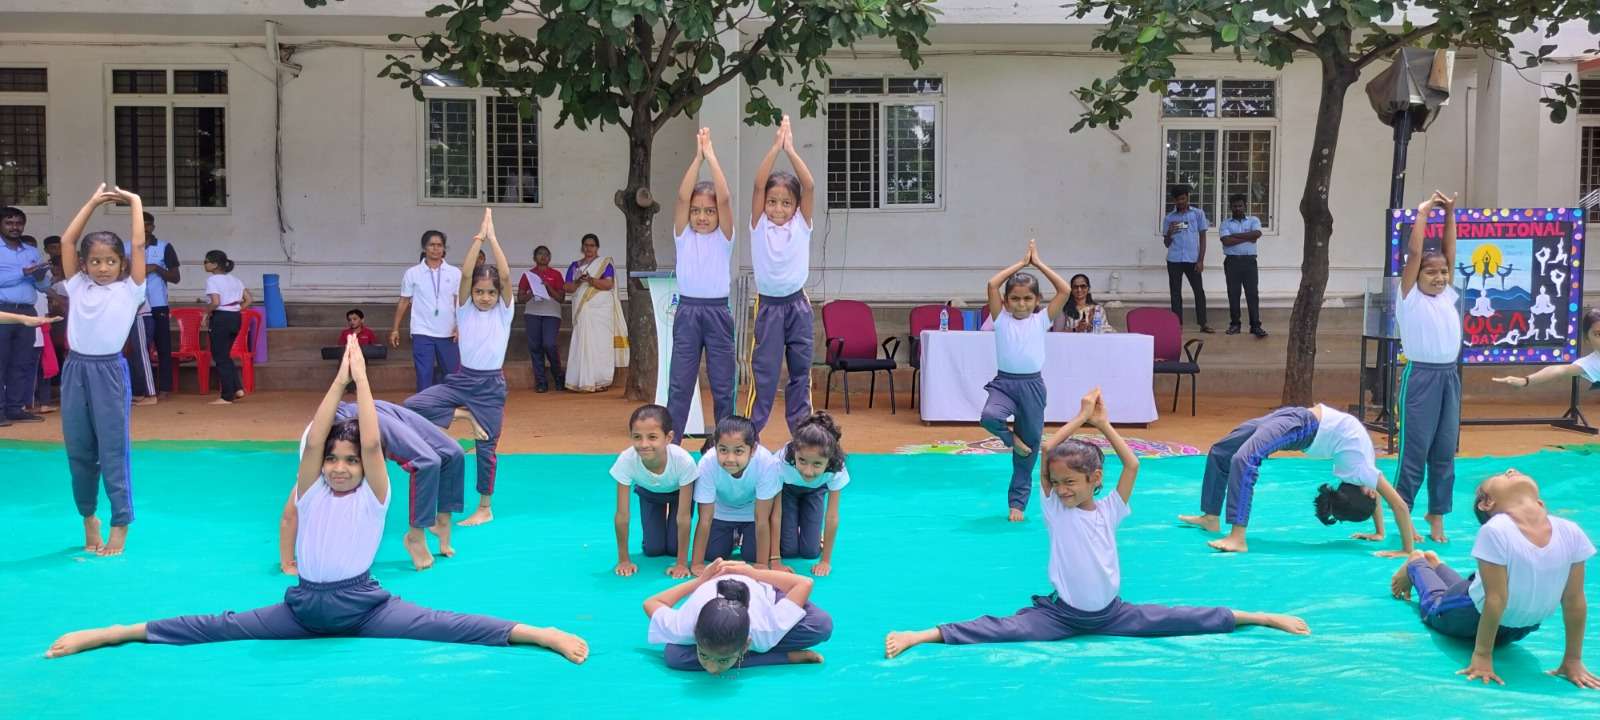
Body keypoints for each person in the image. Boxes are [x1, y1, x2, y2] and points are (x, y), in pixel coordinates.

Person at [43, 336, 589, 665]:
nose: (341, 467)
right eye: (334, 460)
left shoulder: (374, 493)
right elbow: (316, 440)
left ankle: (537, 633)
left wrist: (363, 382)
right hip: (303, 607)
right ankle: (114, 632)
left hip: (365, 607)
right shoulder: (311, 489)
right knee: (216, 625)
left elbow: (371, 441)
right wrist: (337, 382)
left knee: (448, 623)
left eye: (349, 461)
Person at [884, 390, 1309, 659]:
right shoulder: (1056, 510)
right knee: (1001, 629)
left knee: (1181, 618)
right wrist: (1079, 418)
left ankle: (1260, 616)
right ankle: (921, 635)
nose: (1062, 489)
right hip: (1062, 618)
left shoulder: (1109, 509)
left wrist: (1103, 424)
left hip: (1113, 614)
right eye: (1057, 483)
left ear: (1095, 481)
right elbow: (1048, 452)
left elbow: (1132, 464)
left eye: (1071, 483)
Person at [1389, 469, 1598, 688]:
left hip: (1516, 628)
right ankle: (1416, 564)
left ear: (1540, 503)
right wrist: (1482, 655)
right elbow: (1495, 599)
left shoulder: (1570, 531)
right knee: (1436, 604)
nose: (1511, 470)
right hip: (1470, 616)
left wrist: (1573, 660)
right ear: (1487, 503)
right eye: (1504, 475)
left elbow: (1574, 599)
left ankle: (1435, 565)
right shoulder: (1496, 530)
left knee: (1470, 589)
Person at [1177, 403, 1420, 555]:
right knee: (1222, 451)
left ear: (1367, 492)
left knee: (1245, 459)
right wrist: (1384, 535)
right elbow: (1390, 503)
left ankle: (1238, 537)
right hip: (1295, 417)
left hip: (1302, 426)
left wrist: (1405, 549)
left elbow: (1391, 503)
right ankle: (1210, 517)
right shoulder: (1364, 475)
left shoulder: (1362, 473)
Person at [404, 209, 512, 527]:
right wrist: (479, 239)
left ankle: (485, 507)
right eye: (479, 292)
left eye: (490, 293)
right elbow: (465, 275)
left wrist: (494, 239)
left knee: (486, 447)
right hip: (462, 381)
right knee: (413, 405)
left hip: (490, 387)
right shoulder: (464, 309)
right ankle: (465, 416)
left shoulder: (504, 312)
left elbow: (506, 277)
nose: (485, 297)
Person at [57, 184, 147, 556]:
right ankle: (88, 516)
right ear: (84, 265)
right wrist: (92, 202)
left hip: (109, 372)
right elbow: (67, 241)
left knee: (112, 450)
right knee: (79, 450)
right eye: (95, 261)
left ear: (122, 264)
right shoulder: (77, 286)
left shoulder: (131, 290)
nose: (103, 268)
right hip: (75, 370)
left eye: (110, 261)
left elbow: (138, 245)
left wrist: (135, 202)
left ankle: (120, 522)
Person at [279, 398, 465, 574]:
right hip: (359, 413)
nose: (339, 470)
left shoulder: (314, 465)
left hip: (347, 418)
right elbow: (291, 515)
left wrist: (287, 562)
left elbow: (290, 515)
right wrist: (288, 563)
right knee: (445, 454)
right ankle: (428, 529)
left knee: (443, 455)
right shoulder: (324, 473)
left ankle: (427, 529)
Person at [982, 240, 1071, 522]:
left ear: (1037, 301)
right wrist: (1022, 263)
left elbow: (1065, 290)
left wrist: (1038, 264)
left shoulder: (1041, 320)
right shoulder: (1000, 319)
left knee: (1028, 451)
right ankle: (1012, 439)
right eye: (1015, 298)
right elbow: (992, 284)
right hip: (1004, 385)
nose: (1021, 304)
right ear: (1006, 301)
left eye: (1027, 299)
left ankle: (1017, 505)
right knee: (989, 416)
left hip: (1032, 387)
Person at [742, 115, 817, 441]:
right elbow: (759, 185)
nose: (778, 209)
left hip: (798, 305)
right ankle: (750, 436)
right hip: (769, 307)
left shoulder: (802, 224)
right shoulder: (759, 225)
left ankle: (803, 436)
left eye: (786, 203)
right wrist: (775, 148)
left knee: (800, 372)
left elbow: (809, 186)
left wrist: (791, 150)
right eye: (772, 202)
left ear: (796, 206)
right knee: (765, 373)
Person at [1396, 190, 1462, 544]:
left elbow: (1449, 252)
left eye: (1444, 272)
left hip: (1449, 377)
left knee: (1444, 451)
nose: (1439, 277)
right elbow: (1414, 254)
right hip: (1421, 378)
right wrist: (1422, 215)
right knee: (1415, 451)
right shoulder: (1409, 297)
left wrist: (1449, 214)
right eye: (1431, 272)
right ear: (1416, 275)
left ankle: (1437, 515)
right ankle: (1404, 513)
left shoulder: (1447, 295)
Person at [669, 127, 737, 446]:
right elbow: (682, 197)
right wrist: (697, 159)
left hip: (717, 313)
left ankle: (725, 443)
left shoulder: (725, 238)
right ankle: (673, 445)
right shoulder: (683, 237)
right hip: (688, 313)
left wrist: (712, 157)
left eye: (709, 211)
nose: (702, 217)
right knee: (680, 384)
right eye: (696, 211)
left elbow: (724, 197)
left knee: (723, 384)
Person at [644, 559, 832, 673]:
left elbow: (804, 583)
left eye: (723, 660)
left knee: (821, 625)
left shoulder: (765, 632)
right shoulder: (684, 626)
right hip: (713, 587)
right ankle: (781, 656)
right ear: (695, 634)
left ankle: (736, 656)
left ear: (746, 645)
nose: (711, 669)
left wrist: (754, 573)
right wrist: (700, 581)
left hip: (761, 588)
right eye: (703, 655)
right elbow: (651, 602)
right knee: (674, 657)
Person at [610, 404, 699, 578]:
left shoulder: (683, 461)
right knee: (653, 549)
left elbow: (683, 517)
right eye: (637, 437)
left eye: (652, 437)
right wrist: (624, 560)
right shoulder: (626, 459)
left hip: (678, 495)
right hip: (649, 494)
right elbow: (622, 515)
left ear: (668, 437)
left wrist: (681, 563)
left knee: (673, 548)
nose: (644, 444)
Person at [687, 415, 782, 574]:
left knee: (752, 555)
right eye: (723, 450)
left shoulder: (766, 462)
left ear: (753, 450)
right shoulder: (707, 463)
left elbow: (762, 519)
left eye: (738, 451)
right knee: (713, 554)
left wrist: (761, 564)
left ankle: (742, 537)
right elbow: (704, 519)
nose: (730, 459)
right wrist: (697, 563)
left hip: (752, 514)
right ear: (715, 446)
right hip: (722, 512)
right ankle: (734, 537)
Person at [775, 411, 848, 577]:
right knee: (788, 551)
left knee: (811, 552)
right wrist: (775, 559)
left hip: (815, 491)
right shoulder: (781, 461)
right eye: (802, 461)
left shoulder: (837, 466)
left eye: (817, 464)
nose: (808, 471)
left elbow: (832, 517)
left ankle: (813, 534)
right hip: (787, 491)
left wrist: (825, 561)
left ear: (829, 460)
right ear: (795, 452)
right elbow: (775, 513)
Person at [391, 230, 461, 392]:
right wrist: (395, 329)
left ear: (444, 248)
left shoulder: (455, 273)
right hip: (422, 331)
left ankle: (450, 404)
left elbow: (459, 302)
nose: (436, 249)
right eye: (431, 245)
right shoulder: (412, 273)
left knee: (452, 375)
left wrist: (459, 325)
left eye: (439, 245)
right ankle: (424, 405)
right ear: (424, 247)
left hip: (448, 332)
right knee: (424, 375)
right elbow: (404, 301)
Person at [1, 205, 50, 425]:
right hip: (3, 311)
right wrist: (22, 272)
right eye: (9, 223)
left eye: (19, 223)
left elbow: (42, 286)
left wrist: (39, 277)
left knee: (22, 361)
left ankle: (15, 408)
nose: (15, 227)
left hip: (27, 312)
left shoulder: (31, 251)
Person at [563, 232, 627, 392]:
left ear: (597, 247)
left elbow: (608, 284)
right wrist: (578, 281)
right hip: (583, 310)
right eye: (586, 245)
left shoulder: (604, 264)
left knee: (601, 343)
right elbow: (568, 287)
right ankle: (580, 379)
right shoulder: (575, 266)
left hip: (601, 311)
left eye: (592, 245)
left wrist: (591, 280)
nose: (588, 248)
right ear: (582, 247)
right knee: (582, 341)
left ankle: (600, 380)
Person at [1496, 307, 1600, 390]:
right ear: (1587, 339)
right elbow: (1558, 370)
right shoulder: (1591, 363)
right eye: (1598, 334)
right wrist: (1525, 381)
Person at [202, 250, 250, 405]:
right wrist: (235, 309)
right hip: (235, 318)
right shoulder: (235, 279)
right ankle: (237, 388)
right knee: (225, 355)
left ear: (215, 265)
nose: (204, 264)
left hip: (221, 318)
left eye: (206, 261)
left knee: (220, 357)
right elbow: (248, 299)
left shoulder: (212, 280)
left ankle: (227, 396)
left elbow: (215, 302)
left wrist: (206, 313)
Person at [1162, 184, 1213, 333]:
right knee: (1175, 293)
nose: (1181, 202)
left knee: (1199, 292)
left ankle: (1203, 323)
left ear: (1187, 197)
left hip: (1192, 260)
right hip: (1174, 260)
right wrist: (1169, 233)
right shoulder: (1169, 218)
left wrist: (1201, 260)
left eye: (1183, 198)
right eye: (1178, 200)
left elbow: (1202, 238)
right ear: (1174, 200)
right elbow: (1166, 244)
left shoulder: (1197, 214)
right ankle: (1177, 325)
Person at [516, 244, 566, 393]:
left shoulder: (556, 274)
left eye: (546, 254)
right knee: (535, 347)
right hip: (532, 313)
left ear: (550, 258)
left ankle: (558, 376)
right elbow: (520, 298)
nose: (543, 256)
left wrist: (548, 287)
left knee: (549, 344)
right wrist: (532, 292)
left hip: (551, 314)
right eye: (540, 254)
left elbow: (561, 298)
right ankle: (541, 382)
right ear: (534, 257)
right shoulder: (528, 275)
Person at [1219, 194, 1266, 337]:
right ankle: (1235, 324)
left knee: (1252, 294)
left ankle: (1255, 326)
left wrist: (1235, 235)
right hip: (1232, 262)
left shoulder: (1253, 220)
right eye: (1234, 206)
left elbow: (1256, 234)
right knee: (1233, 294)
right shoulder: (1225, 223)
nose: (1237, 208)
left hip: (1249, 262)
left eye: (1240, 205)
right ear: (1230, 207)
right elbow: (1226, 241)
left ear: (1245, 206)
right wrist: (1248, 237)